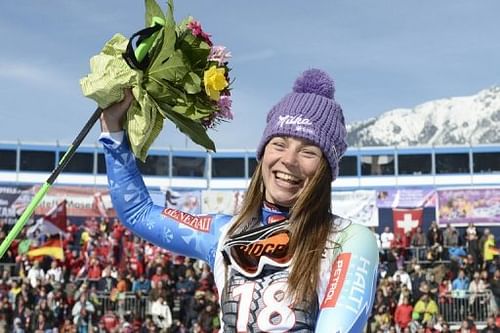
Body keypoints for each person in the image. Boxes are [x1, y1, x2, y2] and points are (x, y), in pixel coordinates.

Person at [99, 68, 379, 332]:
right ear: (263, 154)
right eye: (279, 144)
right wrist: (112, 129)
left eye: (308, 152)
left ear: (325, 169)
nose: (289, 161)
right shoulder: (224, 233)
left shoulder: (350, 239)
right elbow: (138, 212)